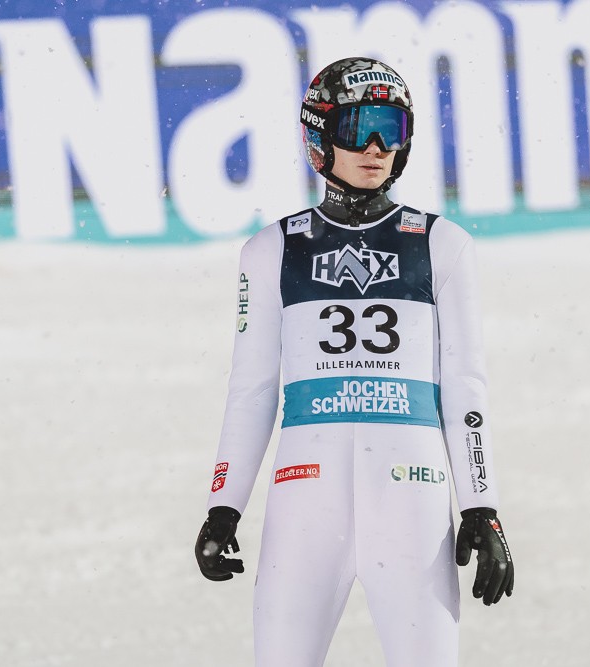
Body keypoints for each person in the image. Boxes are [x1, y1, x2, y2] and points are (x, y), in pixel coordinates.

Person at [194, 56, 514, 667]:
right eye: (358, 127)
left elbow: (465, 387)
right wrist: (223, 505)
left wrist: (482, 507)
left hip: (413, 500)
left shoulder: (443, 245)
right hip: (304, 501)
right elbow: (252, 392)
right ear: (320, 137)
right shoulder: (270, 250)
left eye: (391, 130)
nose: (375, 148)